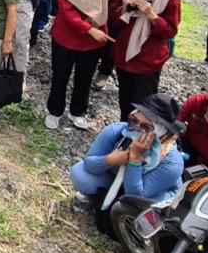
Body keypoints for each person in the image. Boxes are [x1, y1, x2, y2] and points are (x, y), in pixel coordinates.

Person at [69, 94, 187, 225]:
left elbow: (136, 196)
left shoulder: (172, 162)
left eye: (146, 127)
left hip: (151, 195)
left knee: (147, 218)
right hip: (118, 180)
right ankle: (101, 201)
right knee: (79, 173)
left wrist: (135, 158)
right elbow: (89, 163)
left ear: (161, 133)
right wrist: (108, 160)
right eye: (134, 121)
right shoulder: (118, 131)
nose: (137, 128)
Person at [46, 0, 124, 130]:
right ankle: (54, 111)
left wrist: (103, 11)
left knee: (85, 77)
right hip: (66, 37)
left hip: (93, 40)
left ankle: (78, 112)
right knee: (60, 76)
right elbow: (67, 12)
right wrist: (90, 29)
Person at [113, 0, 180, 120]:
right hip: (124, 54)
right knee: (125, 99)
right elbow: (114, 20)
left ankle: (139, 137)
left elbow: (170, 31)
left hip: (148, 59)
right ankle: (124, 130)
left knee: (143, 103)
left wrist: (153, 16)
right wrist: (124, 9)